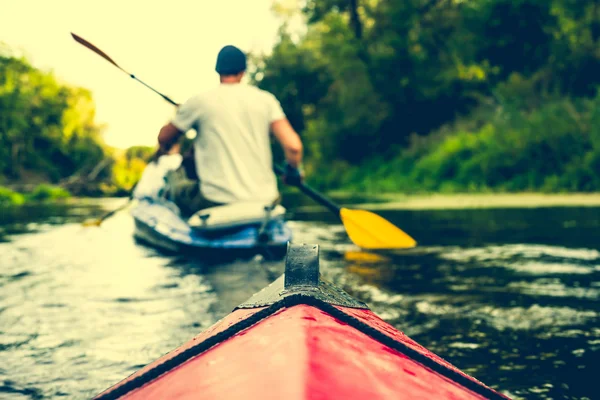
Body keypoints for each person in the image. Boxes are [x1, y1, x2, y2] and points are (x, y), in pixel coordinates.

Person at [157, 44, 303, 216]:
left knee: (175, 182)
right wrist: (292, 171)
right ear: (243, 71)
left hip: (214, 200)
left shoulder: (199, 102)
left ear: (218, 71)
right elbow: (294, 147)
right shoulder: (266, 100)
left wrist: (182, 115)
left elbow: (164, 137)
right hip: (265, 200)